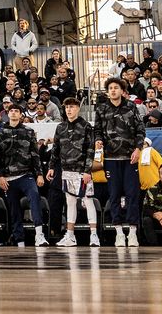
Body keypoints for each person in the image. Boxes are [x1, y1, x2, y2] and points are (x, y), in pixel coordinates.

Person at [95, 77, 146, 246]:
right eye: (110, 88)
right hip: (110, 158)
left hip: (129, 158)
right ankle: (118, 232)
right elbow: (97, 130)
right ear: (107, 91)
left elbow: (140, 129)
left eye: (116, 87)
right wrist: (98, 140)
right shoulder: (101, 108)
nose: (113, 90)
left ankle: (132, 232)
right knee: (114, 195)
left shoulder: (131, 106)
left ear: (122, 90)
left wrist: (138, 149)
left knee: (132, 195)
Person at [48, 97, 99, 246]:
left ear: (78, 108)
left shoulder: (86, 126)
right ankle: (70, 235)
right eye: (67, 107)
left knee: (87, 201)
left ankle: (94, 235)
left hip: (81, 170)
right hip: (66, 170)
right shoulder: (60, 127)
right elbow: (55, 149)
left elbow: (91, 150)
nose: (69, 110)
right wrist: (51, 167)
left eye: (72, 107)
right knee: (69, 202)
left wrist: (87, 170)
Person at [0, 103, 48, 247]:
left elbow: (35, 154)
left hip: (26, 175)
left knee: (34, 196)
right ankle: (19, 240)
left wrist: (39, 174)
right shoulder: (0, 132)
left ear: (21, 114)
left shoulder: (28, 131)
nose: (13, 113)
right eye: (11, 111)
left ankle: (39, 234)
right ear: (7, 114)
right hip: (8, 177)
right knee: (14, 209)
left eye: (16, 111)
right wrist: (0, 176)